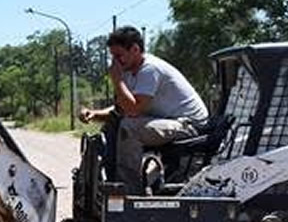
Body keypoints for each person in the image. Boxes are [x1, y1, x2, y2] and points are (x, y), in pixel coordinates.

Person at [79, 25, 209, 195]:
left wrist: (117, 81)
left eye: (119, 56)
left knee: (130, 127)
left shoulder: (150, 69)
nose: (115, 62)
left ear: (135, 49)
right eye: (113, 57)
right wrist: (94, 114)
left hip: (189, 126)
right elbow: (122, 108)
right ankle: (107, 181)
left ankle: (128, 192)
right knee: (113, 124)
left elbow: (133, 110)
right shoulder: (129, 71)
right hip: (168, 122)